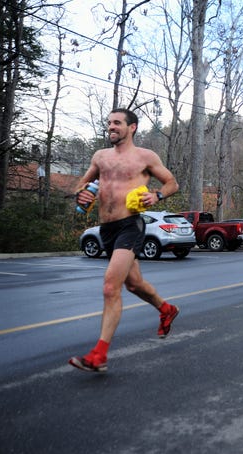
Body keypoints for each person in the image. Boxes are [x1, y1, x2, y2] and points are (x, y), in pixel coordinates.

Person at [69, 108, 180, 373]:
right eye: (109, 123)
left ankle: (99, 355)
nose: (111, 127)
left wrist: (157, 196)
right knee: (134, 284)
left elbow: (171, 183)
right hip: (106, 229)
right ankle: (167, 309)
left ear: (132, 127)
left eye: (117, 123)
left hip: (130, 225)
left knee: (110, 287)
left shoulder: (145, 157)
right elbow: (79, 186)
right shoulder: (101, 157)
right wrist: (80, 195)